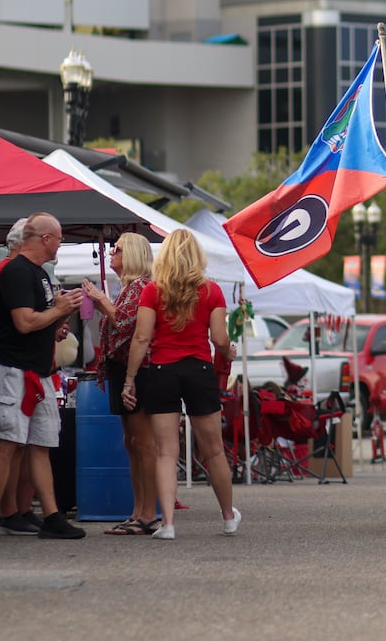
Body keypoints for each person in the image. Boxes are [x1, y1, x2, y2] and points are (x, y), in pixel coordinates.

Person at [121, 229, 240, 541]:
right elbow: (218, 338)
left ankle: (169, 524)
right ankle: (228, 517)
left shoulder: (152, 292)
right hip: (199, 370)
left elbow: (142, 338)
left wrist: (130, 379)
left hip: (162, 370)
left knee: (165, 452)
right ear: (196, 256)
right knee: (213, 450)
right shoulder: (212, 291)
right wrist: (228, 350)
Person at [0, 213, 87, 542]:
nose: (61, 244)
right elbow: (24, 322)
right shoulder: (14, 271)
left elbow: (33, 321)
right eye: (59, 238)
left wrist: (56, 319)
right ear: (45, 239)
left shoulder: (37, 274)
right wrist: (60, 310)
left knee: (40, 443)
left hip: (38, 370)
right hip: (13, 369)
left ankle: (51, 515)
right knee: (9, 442)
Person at [80, 232, 158, 535]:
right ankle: (139, 510)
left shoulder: (140, 287)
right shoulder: (128, 287)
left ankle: (147, 512)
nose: (111, 253)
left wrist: (101, 301)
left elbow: (129, 325)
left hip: (136, 370)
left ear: (133, 255)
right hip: (123, 368)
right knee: (133, 442)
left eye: (117, 249)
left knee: (142, 443)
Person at [0, 217, 40, 534]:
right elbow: (17, 321)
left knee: (19, 441)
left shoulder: (9, 271)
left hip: (17, 361)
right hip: (9, 362)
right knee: (9, 441)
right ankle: (2, 512)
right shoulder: (8, 272)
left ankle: (13, 509)